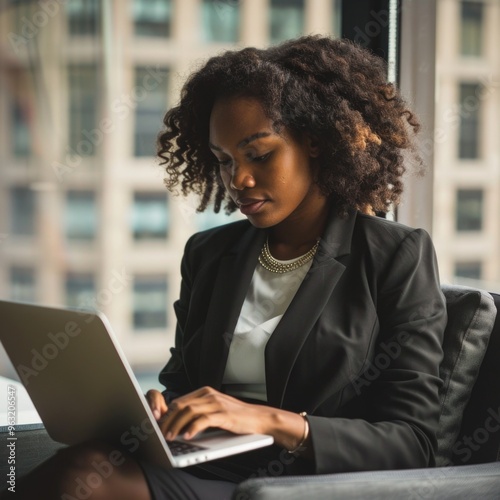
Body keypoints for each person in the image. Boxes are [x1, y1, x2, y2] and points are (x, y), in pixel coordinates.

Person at [9, 35, 447, 500]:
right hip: (206, 465)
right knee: (83, 466)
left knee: (81, 479)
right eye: (223, 161)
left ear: (316, 142)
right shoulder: (210, 254)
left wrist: (267, 421)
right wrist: (163, 410)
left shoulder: (393, 255)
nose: (237, 180)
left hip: (306, 483)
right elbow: (181, 384)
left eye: (258, 155)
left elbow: (412, 443)